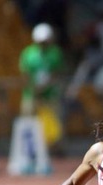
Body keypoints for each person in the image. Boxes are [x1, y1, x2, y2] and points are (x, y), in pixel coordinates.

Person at [18, 23, 65, 157]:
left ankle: (55, 150)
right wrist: (34, 91)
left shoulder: (55, 53)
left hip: (50, 95)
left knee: (54, 122)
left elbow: (56, 73)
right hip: (31, 94)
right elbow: (25, 75)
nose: (43, 44)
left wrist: (44, 88)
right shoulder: (28, 53)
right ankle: (28, 151)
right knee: (28, 120)